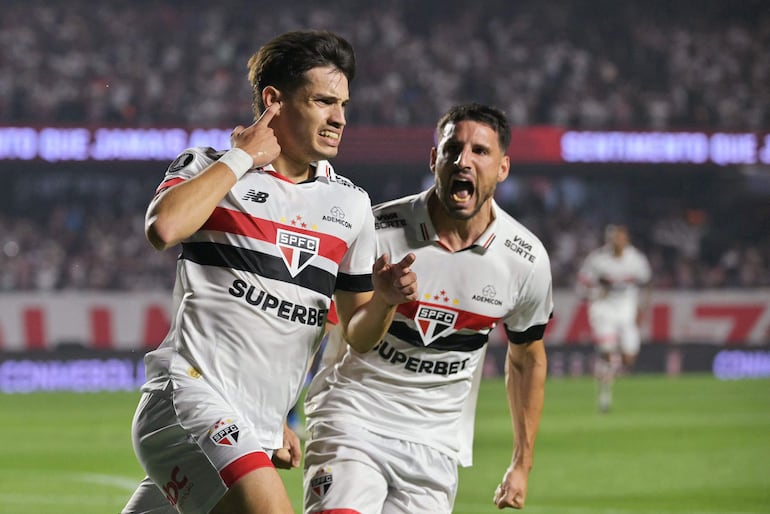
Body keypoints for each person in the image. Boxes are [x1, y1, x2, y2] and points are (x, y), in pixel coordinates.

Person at [121, 30, 418, 514]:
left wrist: (385, 300)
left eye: (343, 104)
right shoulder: (211, 167)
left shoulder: (351, 205)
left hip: (253, 427)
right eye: (323, 101)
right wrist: (242, 158)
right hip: (186, 398)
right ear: (274, 101)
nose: (339, 117)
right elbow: (164, 227)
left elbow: (359, 334)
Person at [303, 103, 554, 513]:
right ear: (434, 159)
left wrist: (521, 464)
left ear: (503, 167)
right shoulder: (375, 230)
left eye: (480, 152)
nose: (464, 161)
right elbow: (324, 326)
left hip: (435, 444)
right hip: (353, 418)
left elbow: (527, 360)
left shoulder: (524, 260)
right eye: (453, 149)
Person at [576, 224, 651, 413]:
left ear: (626, 239)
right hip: (604, 309)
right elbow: (581, 286)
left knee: (628, 359)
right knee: (608, 353)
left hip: (627, 309)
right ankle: (604, 396)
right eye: (615, 237)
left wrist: (642, 310)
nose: (618, 241)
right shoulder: (597, 260)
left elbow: (646, 284)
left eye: (621, 237)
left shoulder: (636, 260)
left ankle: (606, 367)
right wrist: (594, 293)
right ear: (609, 239)